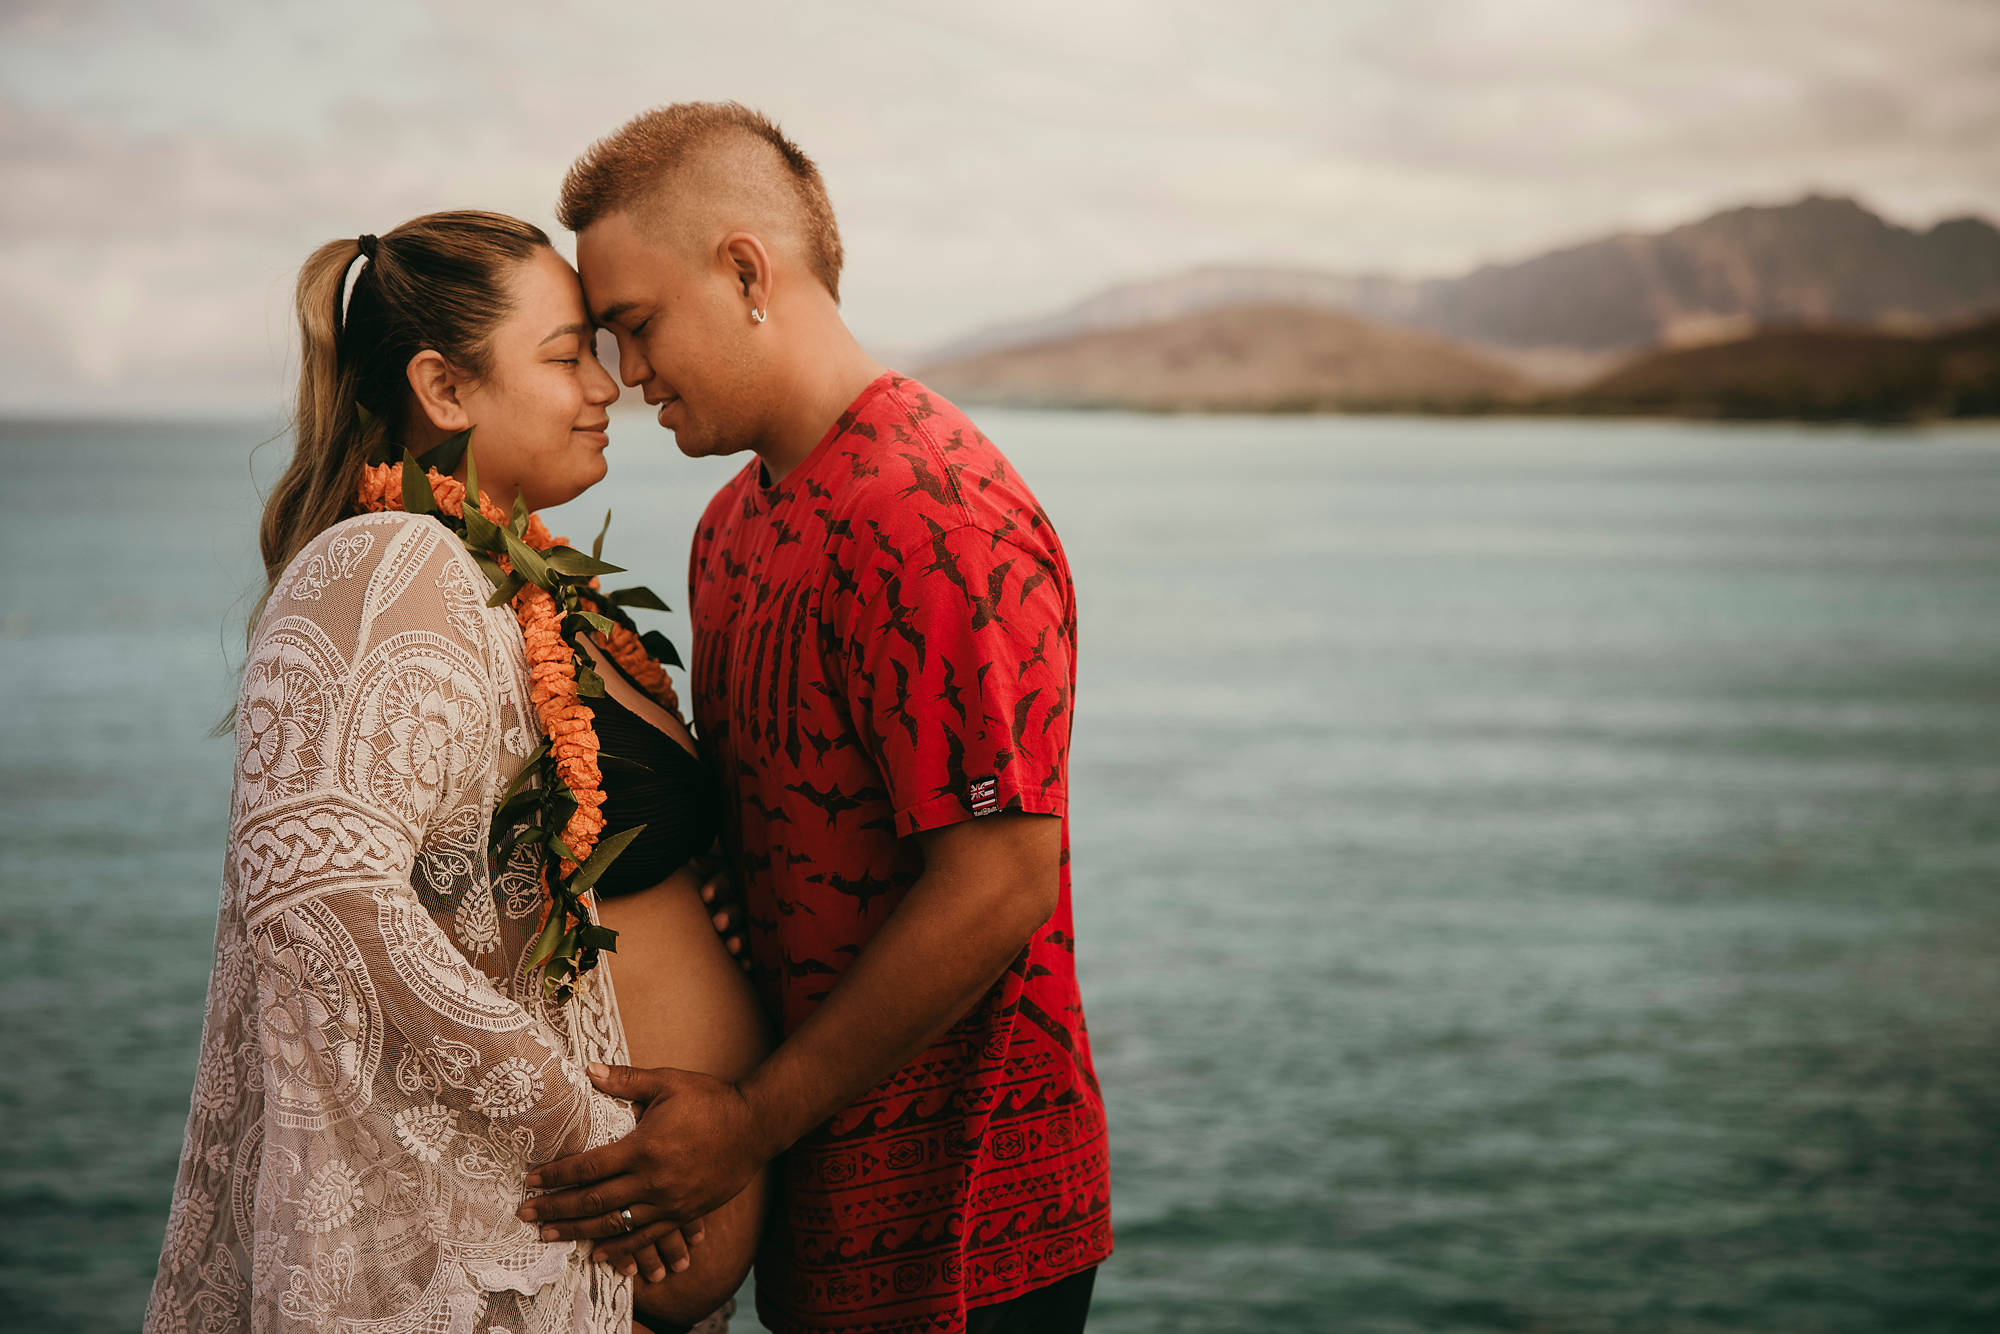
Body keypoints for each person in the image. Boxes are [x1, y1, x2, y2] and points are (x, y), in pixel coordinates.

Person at [519, 104, 1112, 1334]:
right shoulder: (733, 524)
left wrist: (750, 1120)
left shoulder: (935, 514)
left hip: (968, 1223)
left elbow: (1002, 875)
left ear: (744, 269)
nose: (625, 377)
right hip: (813, 1201)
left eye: (635, 325)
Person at [144, 210, 767, 1334]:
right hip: (528, 1251)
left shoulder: (523, 583)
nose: (607, 384)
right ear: (443, 386)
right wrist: (587, 1130)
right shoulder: (387, 561)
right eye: (567, 352)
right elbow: (319, 891)